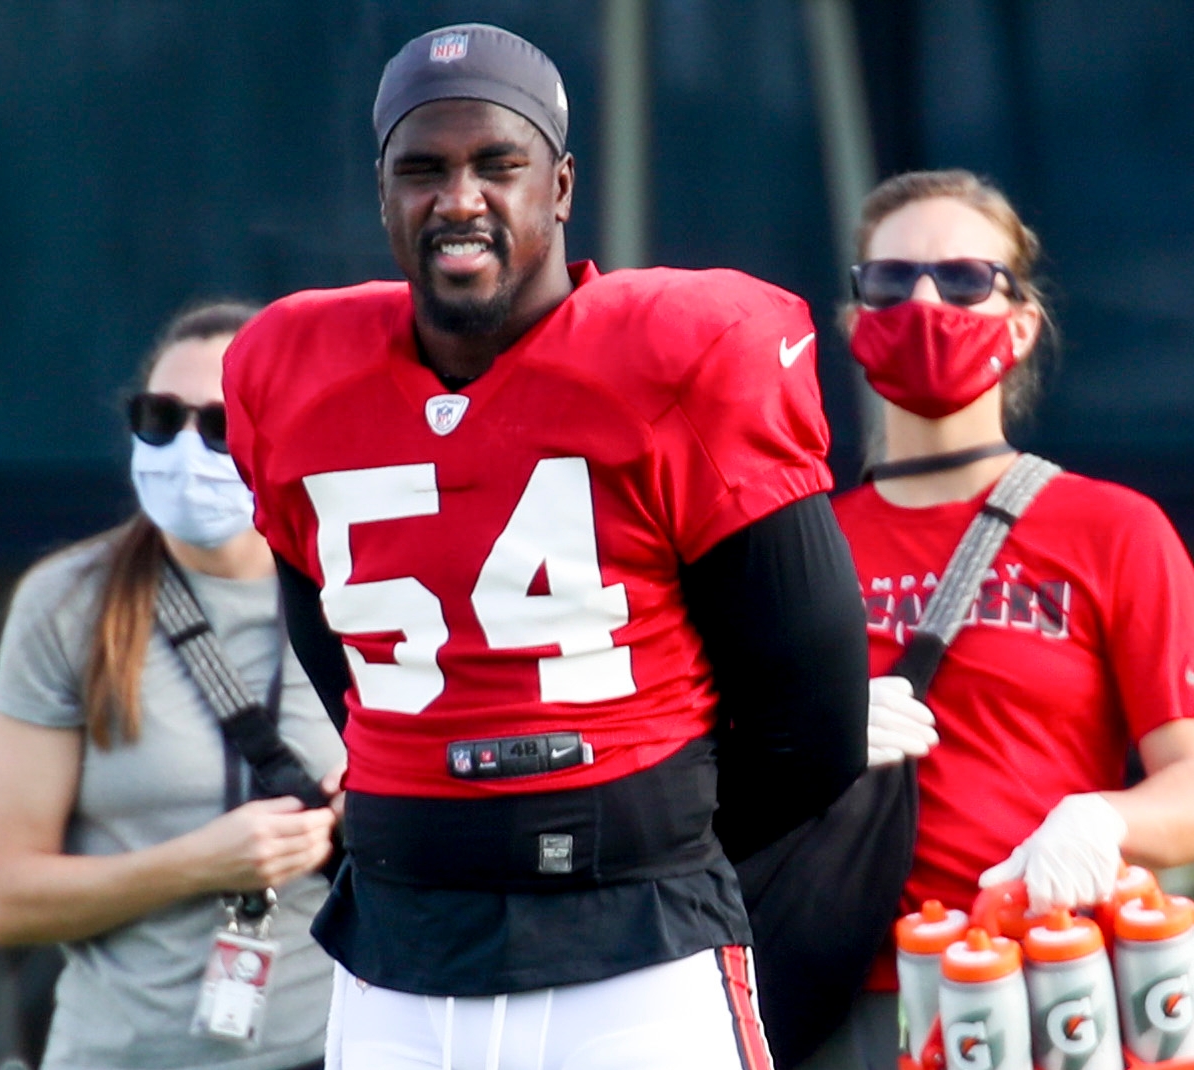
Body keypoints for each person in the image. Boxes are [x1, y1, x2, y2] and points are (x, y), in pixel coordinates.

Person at [219, 23, 868, 1070]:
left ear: (560, 187)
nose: (459, 198)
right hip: (398, 947)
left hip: (635, 954)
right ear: (382, 193)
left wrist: (636, 830)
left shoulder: (681, 355)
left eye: (496, 164)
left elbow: (814, 722)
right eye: (422, 169)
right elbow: (340, 662)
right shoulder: (289, 373)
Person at [814, 169, 1194, 1068]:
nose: (926, 301)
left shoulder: (1112, 529)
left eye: (965, 279)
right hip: (843, 1001)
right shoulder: (798, 550)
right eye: (890, 282)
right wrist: (801, 745)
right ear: (857, 323)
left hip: (1052, 996)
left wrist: (1098, 821)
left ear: (1021, 323)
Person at [0, 302, 346, 1070]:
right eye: (159, 418)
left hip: (328, 1049)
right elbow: (7, 899)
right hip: (119, 1053)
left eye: (218, 426)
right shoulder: (68, 601)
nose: (184, 450)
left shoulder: (360, 593)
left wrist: (373, 815)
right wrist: (201, 863)